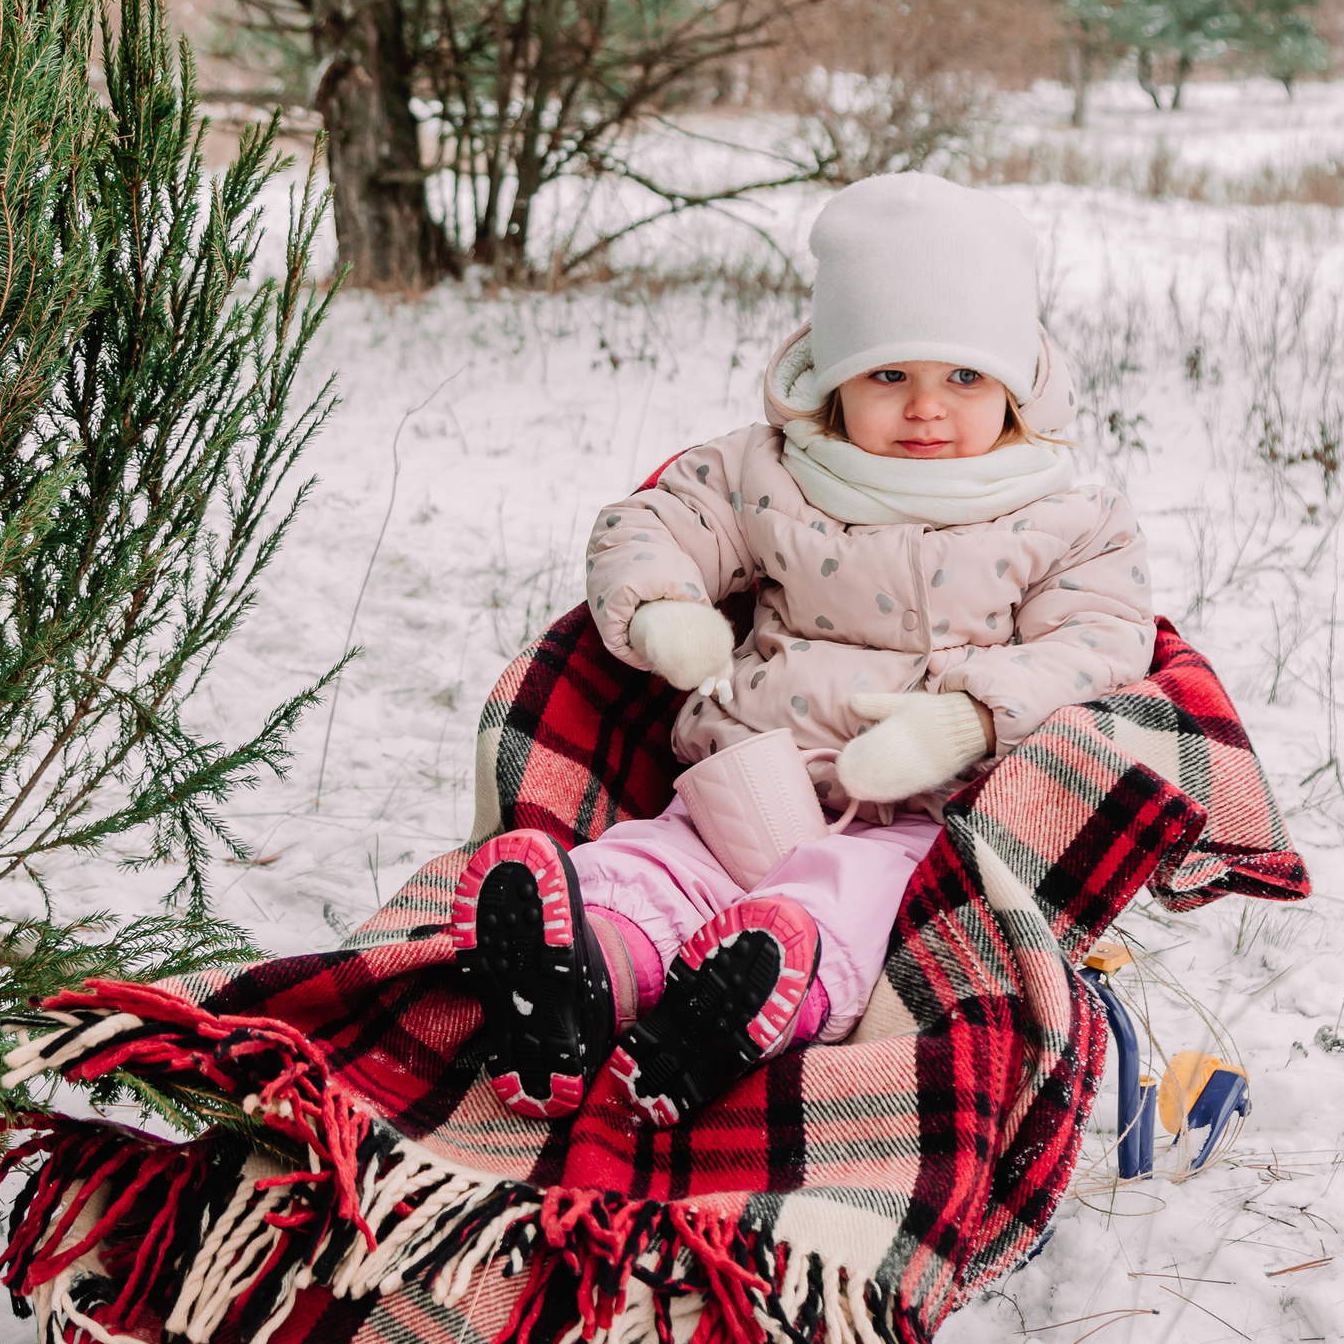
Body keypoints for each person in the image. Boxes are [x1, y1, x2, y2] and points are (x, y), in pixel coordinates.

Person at [451, 173, 1157, 1127]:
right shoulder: (769, 470)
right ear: (832, 377)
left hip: (917, 815)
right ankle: (573, 981)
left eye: (962, 377)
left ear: (1016, 384)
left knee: (851, 895)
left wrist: (969, 716)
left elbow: (1100, 643)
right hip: (744, 783)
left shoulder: (1068, 516)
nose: (925, 410)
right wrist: (664, 608)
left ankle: (749, 1003)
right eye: (886, 375)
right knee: (652, 864)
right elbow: (659, 518)